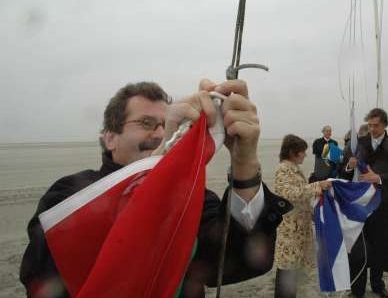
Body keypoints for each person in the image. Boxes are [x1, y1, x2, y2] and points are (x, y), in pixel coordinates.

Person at [19, 79, 292, 298]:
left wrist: (244, 163)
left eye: (168, 125)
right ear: (110, 138)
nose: (162, 134)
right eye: (146, 124)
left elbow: (242, 261)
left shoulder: (191, 199)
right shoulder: (69, 194)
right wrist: (161, 162)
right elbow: (44, 275)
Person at [341, 108, 388, 298]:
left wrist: (378, 178)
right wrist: (349, 165)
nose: (371, 129)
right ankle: (357, 291)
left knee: (381, 247)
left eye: (376, 125)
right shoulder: (359, 144)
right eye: (369, 125)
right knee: (359, 250)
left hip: (384, 206)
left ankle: (378, 286)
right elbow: (344, 170)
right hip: (360, 206)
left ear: (385, 124)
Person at [273, 134, 332, 298]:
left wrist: (314, 214)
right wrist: (317, 186)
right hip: (290, 232)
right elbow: (290, 194)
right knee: (286, 273)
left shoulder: (293, 168)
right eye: (303, 152)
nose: (305, 155)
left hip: (298, 229)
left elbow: (301, 197)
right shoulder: (283, 169)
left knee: (292, 274)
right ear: (293, 152)